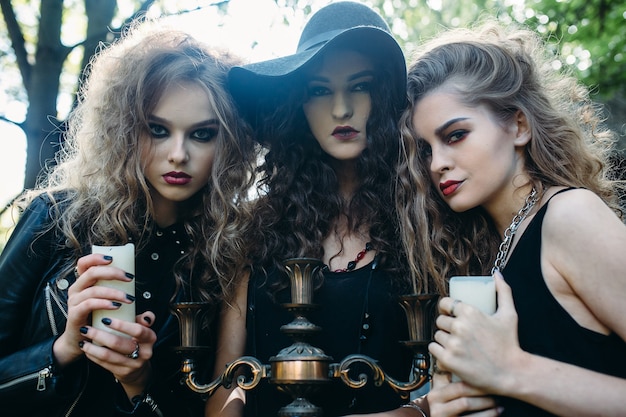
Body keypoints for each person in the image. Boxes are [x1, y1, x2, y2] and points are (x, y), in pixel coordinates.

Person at [0, 22, 255, 417]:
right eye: (157, 129)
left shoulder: (226, 259)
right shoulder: (53, 219)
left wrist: (139, 384)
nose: (178, 154)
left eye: (202, 134)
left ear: (231, 143)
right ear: (123, 129)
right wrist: (62, 350)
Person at [206, 2, 432, 416]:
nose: (341, 108)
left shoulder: (424, 223)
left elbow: (456, 388)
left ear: (386, 98)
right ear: (299, 105)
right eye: (320, 90)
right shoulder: (255, 229)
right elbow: (225, 385)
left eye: (360, 86)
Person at [396, 21, 626, 417]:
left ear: (518, 125)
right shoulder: (497, 246)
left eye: (455, 135)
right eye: (425, 149)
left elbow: (516, 373)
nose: (437, 164)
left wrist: (513, 371)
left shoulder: (569, 216)